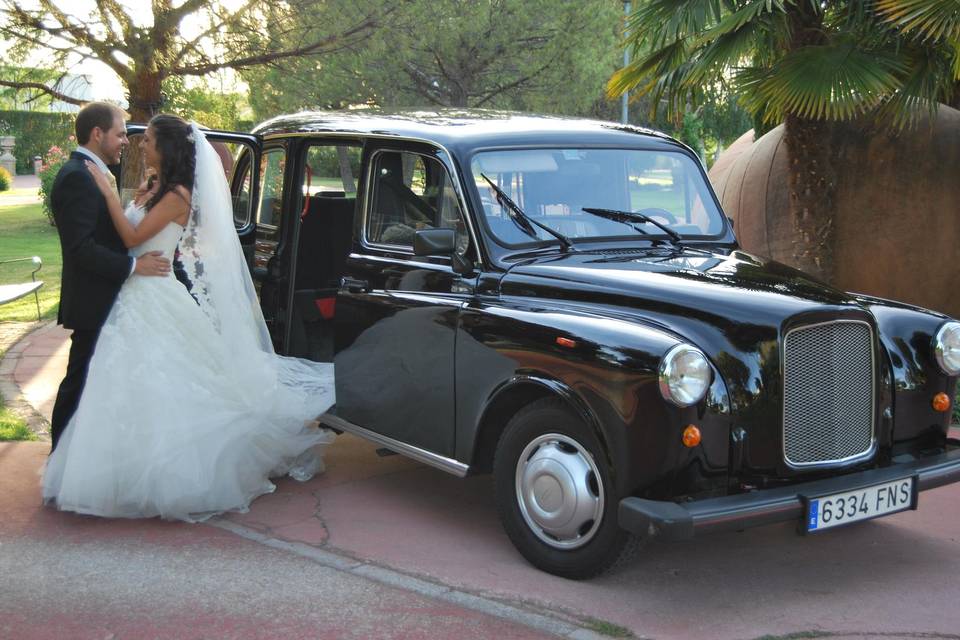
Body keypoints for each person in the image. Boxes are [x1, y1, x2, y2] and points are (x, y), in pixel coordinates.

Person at [42, 114, 336, 522]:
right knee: (123, 387)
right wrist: (137, 197)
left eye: (146, 140)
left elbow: (131, 239)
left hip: (152, 293)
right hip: (133, 295)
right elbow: (130, 233)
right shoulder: (159, 188)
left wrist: (110, 194)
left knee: (163, 386)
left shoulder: (179, 194)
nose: (139, 144)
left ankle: (163, 476)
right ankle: (119, 470)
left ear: (166, 146)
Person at [49, 102, 171, 452]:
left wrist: (140, 205)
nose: (125, 142)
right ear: (97, 133)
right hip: (93, 300)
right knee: (80, 382)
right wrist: (135, 266)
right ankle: (61, 462)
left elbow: (108, 232)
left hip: (108, 298)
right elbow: (82, 249)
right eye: (120, 134)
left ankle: (83, 461)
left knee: (95, 384)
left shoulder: (94, 174)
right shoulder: (77, 177)